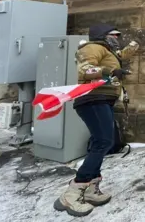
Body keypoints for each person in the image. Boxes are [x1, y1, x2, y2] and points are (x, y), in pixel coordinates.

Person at [54, 24, 139, 217]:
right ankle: (74, 190)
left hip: (103, 100)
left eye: (118, 35)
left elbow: (121, 56)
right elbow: (86, 70)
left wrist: (134, 44)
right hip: (92, 99)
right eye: (113, 35)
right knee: (104, 141)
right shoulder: (91, 48)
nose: (117, 38)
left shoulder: (108, 51)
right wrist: (110, 73)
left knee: (99, 142)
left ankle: (91, 187)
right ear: (102, 35)